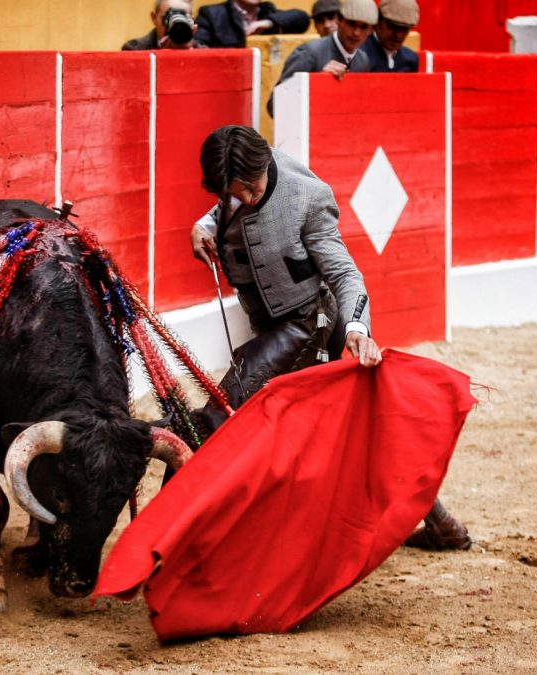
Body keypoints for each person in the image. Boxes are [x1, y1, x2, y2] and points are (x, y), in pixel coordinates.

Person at [189, 125, 471, 551]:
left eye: (251, 188)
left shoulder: (308, 196)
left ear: (265, 164)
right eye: (234, 192)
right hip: (269, 325)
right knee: (345, 431)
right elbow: (228, 204)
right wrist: (204, 224)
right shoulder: (238, 174)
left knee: (226, 406)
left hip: (309, 325)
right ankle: (442, 521)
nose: (245, 199)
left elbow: (343, 273)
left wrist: (358, 328)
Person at [266, 0, 378, 115]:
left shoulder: (363, 60)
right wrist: (316, 82)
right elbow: (274, 106)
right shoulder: (308, 53)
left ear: (371, 30)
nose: (356, 33)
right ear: (338, 20)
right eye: (351, 23)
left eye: (363, 27)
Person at [194, 0, 311, 49]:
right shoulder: (211, 14)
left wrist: (268, 22)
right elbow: (198, 46)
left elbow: (302, 18)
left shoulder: (267, 11)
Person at [360, 0, 420, 72]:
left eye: (404, 29)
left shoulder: (410, 60)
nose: (398, 35)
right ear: (377, 22)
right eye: (393, 27)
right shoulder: (359, 55)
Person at [123, 0, 207, 51]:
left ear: (191, 21)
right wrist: (162, 55)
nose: (175, 24)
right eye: (169, 17)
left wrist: (191, 54)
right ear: (154, 18)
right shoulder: (134, 49)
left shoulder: (204, 52)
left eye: (182, 18)